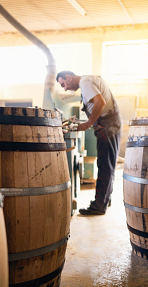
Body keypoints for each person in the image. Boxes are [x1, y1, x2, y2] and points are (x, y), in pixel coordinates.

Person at [56, 71, 122, 215]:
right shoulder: (88, 81)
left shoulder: (85, 83)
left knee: (105, 166)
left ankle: (99, 206)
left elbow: (100, 102)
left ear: (68, 77)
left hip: (107, 126)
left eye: (63, 84)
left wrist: (88, 123)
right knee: (108, 165)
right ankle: (105, 199)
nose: (65, 88)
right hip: (110, 124)